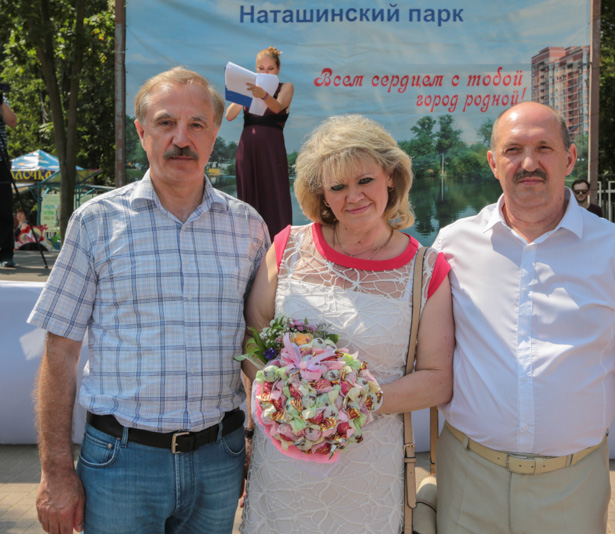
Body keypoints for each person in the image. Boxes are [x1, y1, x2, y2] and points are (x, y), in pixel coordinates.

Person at [28, 67, 269, 534]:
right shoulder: (95, 222)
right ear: (142, 132)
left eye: (196, 124)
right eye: (165, 123)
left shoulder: (249, 228)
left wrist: (257, 438)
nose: (182, 138)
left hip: (220, 459)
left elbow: (256, 344)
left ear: (214, 134)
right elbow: (60, 353)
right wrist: (55, 471)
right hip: (120, 463)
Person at [433, 102, 615, 534]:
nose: (529, 163)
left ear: (569, 159)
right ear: (493, 163)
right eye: (513, 150)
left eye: (543, 148)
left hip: (572, 488)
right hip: (467, 481)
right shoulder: (452, 245)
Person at [239, 114, 454, 533]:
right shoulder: (287, 246)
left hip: (369, 479)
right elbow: (253, 333)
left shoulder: (427, 270)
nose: (353, 196)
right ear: (321, 193)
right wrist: (286, 397)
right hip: (281, 471)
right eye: (337, 187)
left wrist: (350, 400)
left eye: (365, 180)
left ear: (390, 177)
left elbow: (437, 379)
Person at [226, 46, 294, 241]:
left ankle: (278, 242)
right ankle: (249, 240)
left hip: (272, 148)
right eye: (261, 68)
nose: (266, 72)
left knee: (274, 192)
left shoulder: (286, 87)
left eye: (270, 69)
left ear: (278, 69)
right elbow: (229, 116)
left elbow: (278, 107)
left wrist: (263, 95)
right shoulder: (249, 88)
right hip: (248, 148)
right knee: (248, 193)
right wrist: (244, 95)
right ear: (256, 69)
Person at [0, 93, 18, 268]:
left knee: (4, 210)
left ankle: (6, 254)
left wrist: (1, 102)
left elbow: (12, 122)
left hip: (0, 162)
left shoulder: (2, 100)